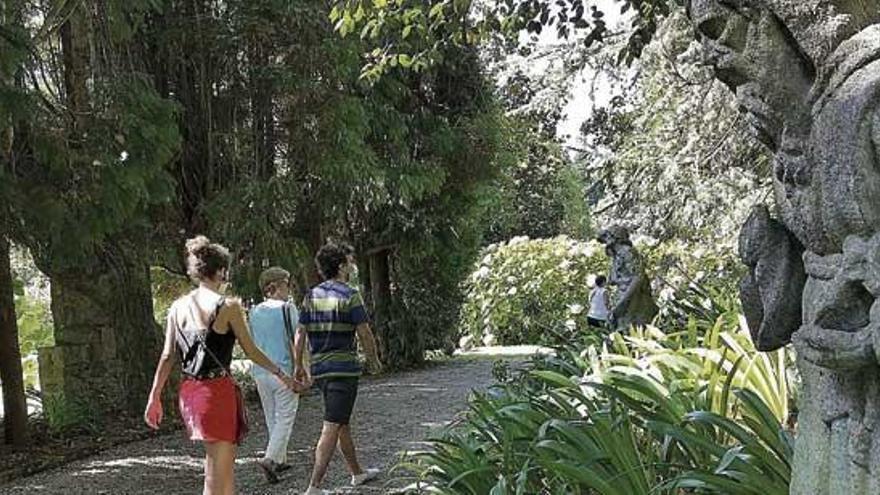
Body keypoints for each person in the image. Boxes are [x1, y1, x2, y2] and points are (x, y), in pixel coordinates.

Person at [144, 236, 300, 495]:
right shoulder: (228, 307)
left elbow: (167, 356)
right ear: (221, 271)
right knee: (216, 476)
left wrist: (154, 397)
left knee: (221, 470)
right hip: (216, 392)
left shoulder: (177, 308)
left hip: (190, 394)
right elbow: (251, 351)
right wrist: (282, 374)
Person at [295, 242, 383, 495]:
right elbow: (364, 332)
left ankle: (357, 473)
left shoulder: (310, 296)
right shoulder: (349, 295)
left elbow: (300, 334)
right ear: (342, 266)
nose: (351, 266)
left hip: (320, 369)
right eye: (349, 262)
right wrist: (373, 360)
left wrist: (299, 367)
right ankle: (314, 487)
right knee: (332, 424)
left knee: (341, 421)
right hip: (343, 370)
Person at [249, 266, 306, 483]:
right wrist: (303, 369)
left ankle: (279, 459)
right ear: (275, 286)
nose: (289, 288)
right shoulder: (287, 308)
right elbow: (298, 339)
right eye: (286, 283)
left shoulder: (253, 312)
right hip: (284, 371)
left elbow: (253, 344)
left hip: (260, 371)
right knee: (285, 417)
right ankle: (270, 458)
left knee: (272, 417)